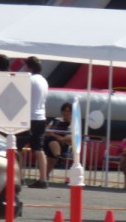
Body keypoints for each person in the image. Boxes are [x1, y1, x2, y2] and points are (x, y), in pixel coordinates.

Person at [16, 56, 49, 189]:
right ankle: (43, 178)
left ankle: (19, 177)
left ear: (29, 67)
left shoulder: (29, 79)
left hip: (27, 117)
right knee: (38, 148)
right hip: (40, 116)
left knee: (18, 148)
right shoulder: (43, 80)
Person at [44, 102, 72, 177]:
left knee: (52, 142)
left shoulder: (72, 124)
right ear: (61, 112)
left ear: (71, 112)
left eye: (68, 111)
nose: (66, 113)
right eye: (64, 111)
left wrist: (53, 134)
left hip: (62, 145)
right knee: (51, 142)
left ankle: (46, 175)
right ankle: (57, 157)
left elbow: (64, 139)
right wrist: (53, 134)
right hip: (50, 142)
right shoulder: (55, 120)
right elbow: (47, 130)